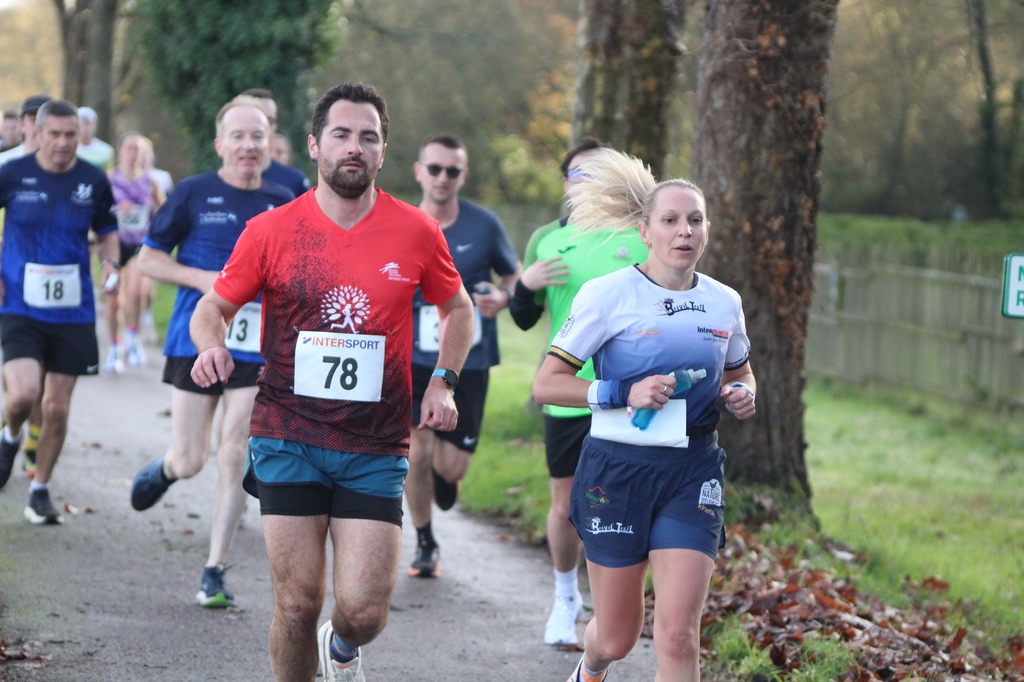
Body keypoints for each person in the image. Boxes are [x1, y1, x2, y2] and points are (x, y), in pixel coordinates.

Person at [189, 82, 474, 682]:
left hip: (375, 443)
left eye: (368, 137)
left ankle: (342, 646)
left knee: (365, 612)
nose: (354, 147)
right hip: (288, 434)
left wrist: (443, 382)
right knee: (296, 604)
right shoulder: (272, 230)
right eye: (341, 135)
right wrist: (212, 346)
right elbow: (213, 306)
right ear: (315, 145)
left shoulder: (417, 231)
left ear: (383, 151)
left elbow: (459, 310)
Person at [531, 148, 757, 682]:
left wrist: (742, 393)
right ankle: (590, 669)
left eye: (695, 220)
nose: (684, 231)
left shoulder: (724, 302)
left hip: (692, 470)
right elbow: (547, 385)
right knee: (617, 637)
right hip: (617, 469)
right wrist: (622, 392)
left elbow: (741, 373)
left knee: (678, 636)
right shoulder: (607, 295)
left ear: (707, 231)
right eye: (670, 220)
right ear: (644, 232)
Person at [128, 96, 294, 607]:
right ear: (220, 144)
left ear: (270, 143)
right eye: (238, 136)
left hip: (258, 344)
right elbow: (149, 259)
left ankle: (214, 570)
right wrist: (204, 280)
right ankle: (168, 468)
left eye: (257, 136)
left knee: (235, 448)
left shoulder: (289, 195)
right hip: (196, 336)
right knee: (192, 458)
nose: (248, 145)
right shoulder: (193, 192)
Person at [508, 137, 645, 646]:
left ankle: (613, 608)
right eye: (577, 174)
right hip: (569, 390)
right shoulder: (547, 238)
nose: (587, 182)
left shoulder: (642, 232)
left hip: (632, 391)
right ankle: (565, 598)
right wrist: (525, 284)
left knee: (623, 502)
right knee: (567, 504)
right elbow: (523, 319)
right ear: (565, 184)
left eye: (597, 173)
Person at [405, 133, 520, 577]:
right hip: (412, 358)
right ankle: (425, 541)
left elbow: (513, 277)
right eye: (434, 168)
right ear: (419, 171)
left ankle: (443, 476)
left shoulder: (484, 224)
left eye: (452, 170)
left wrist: (503, 299)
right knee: (415, 453)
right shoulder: (403, 223)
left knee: (452, 466)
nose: (442, 177)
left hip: (469, 360)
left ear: (463, 176)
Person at [0, 99, 119, 524]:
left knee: (56, 409)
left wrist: (111, 263)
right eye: (55, 134)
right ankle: (10, 435)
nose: (64, 143)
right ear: (37, 133)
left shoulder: (93, 179)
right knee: (22, 395)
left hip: (73, 309)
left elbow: (107, 230)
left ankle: (40, 490)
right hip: (19, 303)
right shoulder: (12, 173)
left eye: (71, 134)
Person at [104, 132, 166, 372]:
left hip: (139, 245)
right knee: (113, 301)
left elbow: (164, 210)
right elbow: (98, 210)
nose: (133, 153)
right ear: (120, 151)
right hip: (114, 245)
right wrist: (116, 209)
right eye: (129, 148)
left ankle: (133, 337)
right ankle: (114, 348)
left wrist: (155, 215)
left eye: (138, 149)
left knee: (137, 292)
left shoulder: (151, 181)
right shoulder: (109, 179)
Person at [239, 88, 312, 197]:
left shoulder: (295, 182)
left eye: (270, 121)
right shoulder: (213, 186)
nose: (263, 128)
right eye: (257, 120)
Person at [0, 95, 51, 167]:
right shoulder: (4, 163)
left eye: (45, 121)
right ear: (21, 124)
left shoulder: (66, 164)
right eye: (34, 120)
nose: (39, 127)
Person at [74, 107, 115, 171]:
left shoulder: (106, 151)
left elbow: (109, 173)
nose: (84, 127)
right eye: (81, 123)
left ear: (95, 125)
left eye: (88, 123)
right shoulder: (69, 149)